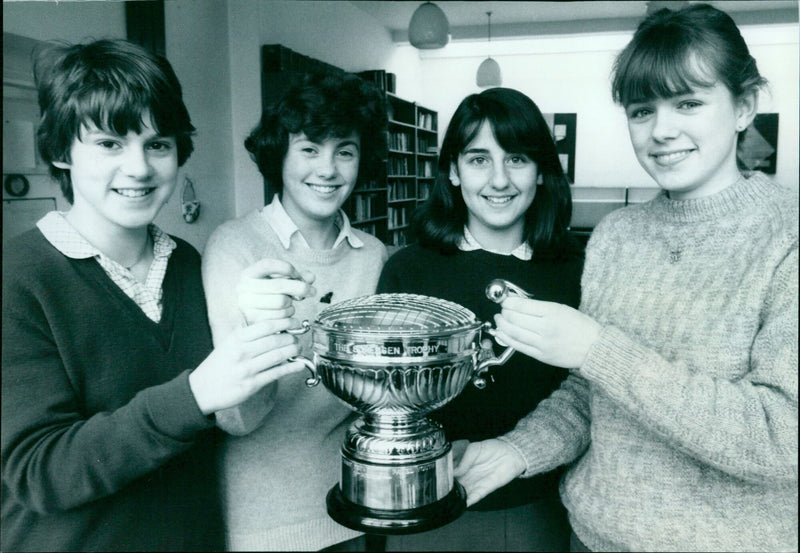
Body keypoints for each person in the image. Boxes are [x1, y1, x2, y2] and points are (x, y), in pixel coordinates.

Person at [454, 4, 798, 552]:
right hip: (589, 539)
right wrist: (519, 450)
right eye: (641, 111)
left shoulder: (789, 235)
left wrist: (598, 349)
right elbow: (593, 395)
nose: (662, 131)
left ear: (744, 106)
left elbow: (783, 440)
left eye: (688, 102)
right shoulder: (616, 236)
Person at [1, 39, 306, 552]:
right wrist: (194, 395)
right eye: (109, 143)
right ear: (59, 151)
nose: (140, 168)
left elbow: (235, 420)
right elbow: (40, 473)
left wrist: (255, 326)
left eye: (157, 144)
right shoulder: (18, 278)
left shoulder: (190, 263)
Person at [377, 87, 584, 551]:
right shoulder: (407, 269)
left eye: (516, 159)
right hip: (431, 504)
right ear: (452, 170)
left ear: (542, 172)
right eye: (477, 159)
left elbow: (589, 396)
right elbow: (387, 393)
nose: (498, 180)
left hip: (544, 505)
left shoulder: (576, 270)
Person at [201, 72, 389, 551]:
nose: (327, 169)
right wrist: (264, 327)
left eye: (344, 150)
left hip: (354, 502)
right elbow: (235, 418)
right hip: (262, 517)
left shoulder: (373, 255)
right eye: (309, 149)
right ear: (278, 154)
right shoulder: (235, 245)